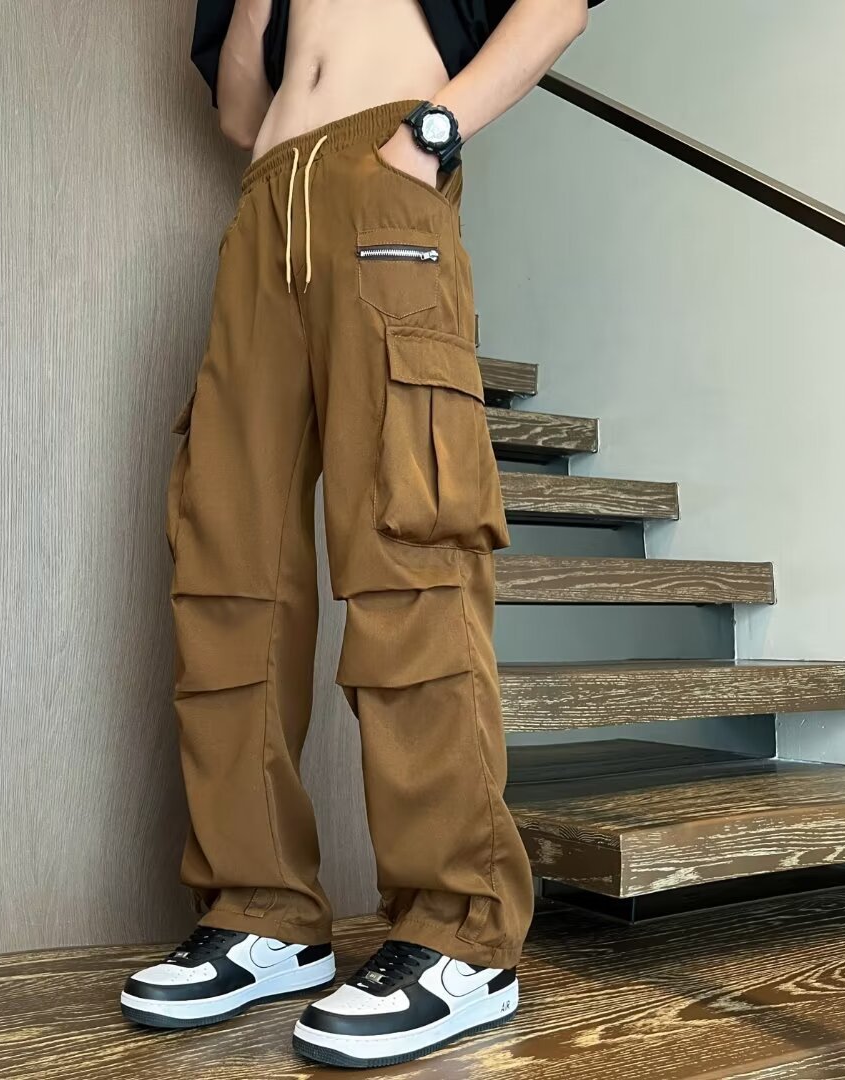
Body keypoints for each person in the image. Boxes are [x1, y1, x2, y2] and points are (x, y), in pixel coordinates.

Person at [121, 0, 600, 1068]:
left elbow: (557, 7)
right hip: (264, 205)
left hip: (386, 173)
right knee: (228, 563)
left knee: (409, 543)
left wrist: (433, 132)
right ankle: (259, 910)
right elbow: (239, 112)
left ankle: (460, 930)